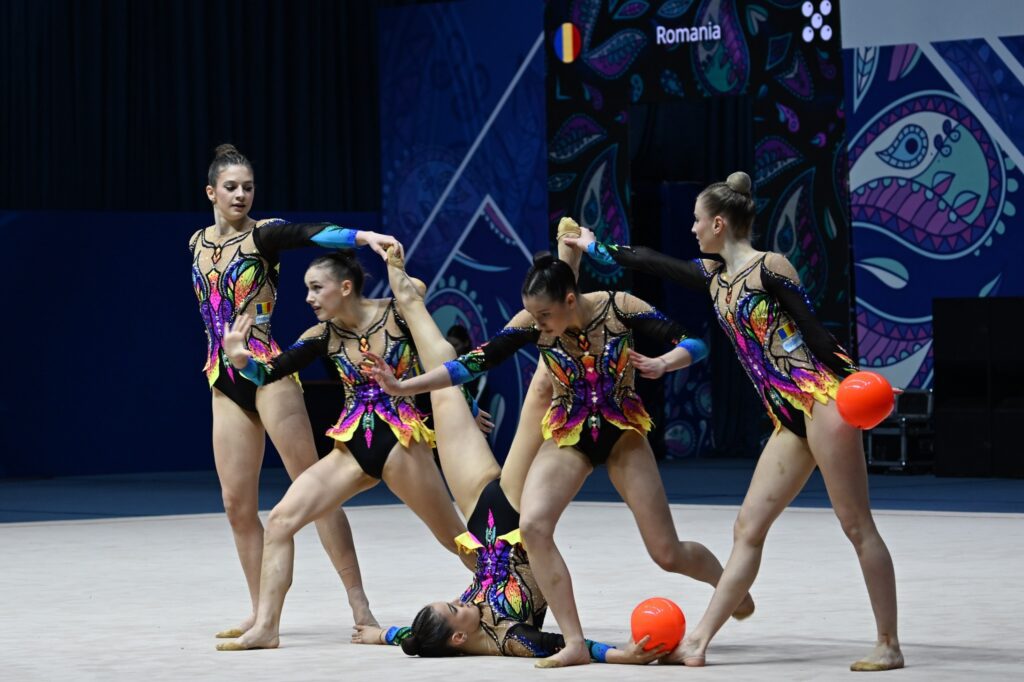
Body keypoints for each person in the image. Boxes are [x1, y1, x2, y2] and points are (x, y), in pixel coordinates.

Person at [371, 220, 753, 668]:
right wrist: (403, 387)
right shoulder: (536, 324)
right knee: (533, 526)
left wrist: (665, 362)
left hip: (622, 433)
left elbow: (693, 343)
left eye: (544, 316)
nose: (538, 326)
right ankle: (573, 642)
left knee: (667, 552)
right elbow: (472, 363)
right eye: (533, 317)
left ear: (570, 299)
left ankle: (728, 584)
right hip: (570, 434)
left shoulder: (620, 307)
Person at [566, 171, 903, 671]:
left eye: (697, 221)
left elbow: (813, 330)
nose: (693, 229)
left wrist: (859, 379)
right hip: (785, 415)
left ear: (719, 223)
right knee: (747, 528)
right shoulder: (713, 275)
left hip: (822, 402)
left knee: (856, 524)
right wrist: (594, 247)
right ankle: (698, 641)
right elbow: (651, 261)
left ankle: (888, 644)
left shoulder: (771, 267)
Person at [353, 246, 664, 665]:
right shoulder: (510, 637)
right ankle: (567, 273)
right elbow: (563, 644)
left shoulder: (438, 632)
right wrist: (621, 656)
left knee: (445, 394)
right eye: (455, 607)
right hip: (514, 516)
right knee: (544, 385)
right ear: (459, 638)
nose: (459, 600)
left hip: (477, 520)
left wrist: (380, 634)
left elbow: (413, 636)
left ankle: (408, 298)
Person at [215, 249, 481, 650]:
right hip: (352, 446)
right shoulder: (323, 335)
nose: (308, 297)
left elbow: (436, 351)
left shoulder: (397, 313)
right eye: (307, 289)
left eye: (316, 288)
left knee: (455, 537)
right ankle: (267, 627)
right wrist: (241, 361)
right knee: (281, 520)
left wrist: (468, 409)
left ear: (345, 287)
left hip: (401, 443)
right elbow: (271, 372)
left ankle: (515, 594)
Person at [190, 144, 396, 637]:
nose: (241, 195)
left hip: (268, 371)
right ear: (211, 192)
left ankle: (360, 606)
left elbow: (311, 232)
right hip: (224, 377)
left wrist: (363, 237)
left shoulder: (264, 235)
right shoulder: (196, 242)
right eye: (231, 187)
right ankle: (261, 612)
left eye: (248, 187)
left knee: (314, 489)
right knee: (236, 505)